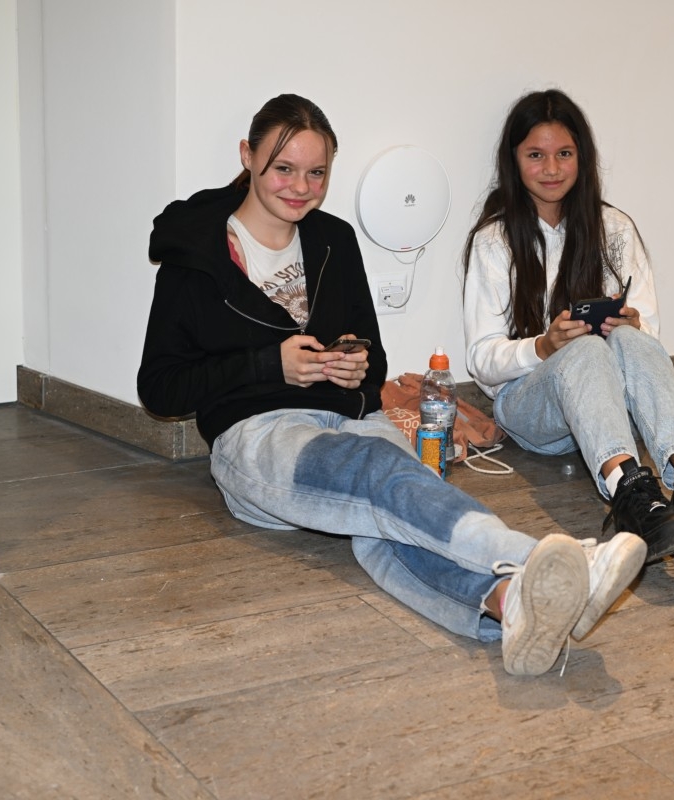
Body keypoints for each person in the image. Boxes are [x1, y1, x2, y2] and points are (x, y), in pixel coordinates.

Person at [137, 93, 646, 677]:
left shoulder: (333, 240)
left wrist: (356, 367)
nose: (300, 187)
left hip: (352, 417)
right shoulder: (196, 256)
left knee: (399, 512)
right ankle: (552, 561)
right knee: (383, 476)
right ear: (247, 156)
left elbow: (373, 358)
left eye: (316, 173)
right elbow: (160, 389)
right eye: (283, 168)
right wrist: (268, 366)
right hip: (258, 436)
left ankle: (508, 606)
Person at [462, 89, 674, 564]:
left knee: (625, 338)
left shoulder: (614, 228)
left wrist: (633, 325)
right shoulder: (493, 241)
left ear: (583, 158)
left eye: (564, 154)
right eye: (535, 155)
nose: (551, 168)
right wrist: (544, 346)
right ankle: (627, 490)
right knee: (584, 348)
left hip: (609, 409)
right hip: (529, 408)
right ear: (513, 160)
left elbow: (648, 347)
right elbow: (481, 360)